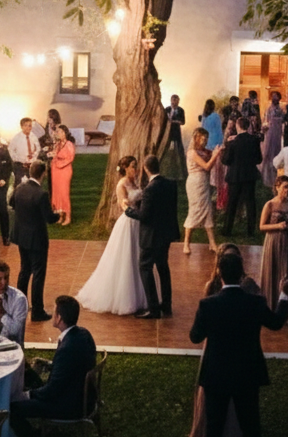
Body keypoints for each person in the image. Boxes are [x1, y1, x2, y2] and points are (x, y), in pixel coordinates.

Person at [189, 253, 288, 437]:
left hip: (217, 375)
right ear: (242, 273)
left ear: (220, 273)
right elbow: (276, 322)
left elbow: (195, 337)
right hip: (247, 374)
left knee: (215, 427)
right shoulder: (255, 303)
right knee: (251, 427)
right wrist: (284, 294)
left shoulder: (208, 305)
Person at [9, 295, 96, 437]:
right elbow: (70, 368)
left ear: (59, 318)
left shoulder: (67, 349)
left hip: (69, 405)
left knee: (12, 408)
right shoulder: (83, 334)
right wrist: (48, 365)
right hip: (81, 394)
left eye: (55, 312)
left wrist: (27, 395)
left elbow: (52, 391)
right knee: (29, 374)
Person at [77, 156, 147, 315]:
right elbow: (123, 203)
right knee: (126, 257)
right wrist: (128, 206)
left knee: (138, 256)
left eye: (136, 166)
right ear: (125, 168)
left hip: (138, 223)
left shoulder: (135, 182)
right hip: (129, 223)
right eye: (133, 166)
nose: (135, 169)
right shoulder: (122, 184)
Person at [126, 155, 179, 319]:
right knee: (163, 267)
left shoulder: (150, 189)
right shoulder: (171, 184)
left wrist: (129, 211)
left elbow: (144, 215)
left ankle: (153, 308)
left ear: (145, 168)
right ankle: (167, 304)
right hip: (166, 234)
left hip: (151, 236)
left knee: (145, 267)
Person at [12, 160, 59, 322]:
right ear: (43, 174)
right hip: (37, 239)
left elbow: (12, 202)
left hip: (22, 236)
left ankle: (20, 304)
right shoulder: (41, 194)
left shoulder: (20, 188)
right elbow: (49, 218)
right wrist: (59, 214)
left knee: (24, 270)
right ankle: (37, 311)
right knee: (38, 273)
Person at [259, 175, 288, 327]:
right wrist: (278, 226)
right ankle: (270, 308)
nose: (287, 190)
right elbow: (262, 226)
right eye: (285, 187)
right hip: (273, 241)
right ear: (277, 187)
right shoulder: (270, 205)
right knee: (273, 271)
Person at [221, 116, 263, 236]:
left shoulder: (233, 143)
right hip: (249, 175)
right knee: (250, 203)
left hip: (235, 176)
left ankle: (227, 229)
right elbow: (259, 159)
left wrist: (226, 148)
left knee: (232, 203)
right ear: (248, 126)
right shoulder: (254, 140)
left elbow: (226, 160)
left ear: (237, 126)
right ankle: (251, 230)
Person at [182, 127, 222, 254]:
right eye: (203, 139)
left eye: (207, 139)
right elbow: (207, 166)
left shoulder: (204, 152)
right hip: (195, 183)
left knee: (208, 211)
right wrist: (215, 155)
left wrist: (217, 151)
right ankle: (186, 243)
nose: (205, 141)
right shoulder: (192, 152)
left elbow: (212, 156)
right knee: (194, 211)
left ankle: (212, 243)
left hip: (204, 183)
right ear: (197, 139)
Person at [50, 124, 75, 225]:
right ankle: (59, 214)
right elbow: (55, 154)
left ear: (65, 133)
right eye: (57, 132)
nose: (58, 134)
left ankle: (67, 215)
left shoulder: (69, 144)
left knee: (64, 192)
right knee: (57, 192)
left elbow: (70, 158)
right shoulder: (58, 144)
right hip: (56, 170)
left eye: (60, 132)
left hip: (64, 170)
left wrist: (59, 162)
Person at [260, 91, 285, 186]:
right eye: (273, 96)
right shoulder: (269, 109)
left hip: (277, 133)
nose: (275, 98)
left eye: (276, 96)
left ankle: (274, 175)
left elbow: (282, 119)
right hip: (270, 133)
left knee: (275, 152)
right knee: (267, 152)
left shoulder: (280, 109)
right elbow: (265, 120)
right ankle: (265, 175)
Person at [9, 116, 42, 186]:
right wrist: (19, 159)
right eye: (26, 125)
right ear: (21, 126)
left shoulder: (33, 136)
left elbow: (38, 148)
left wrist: (34, 157)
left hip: (31, 166)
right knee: (19, 186)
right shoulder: (17, 137)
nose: (28, 128)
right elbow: (11, 150)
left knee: (32, 185)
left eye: (30, 126)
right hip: (20, 166)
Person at [163, 94, 187, 180]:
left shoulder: (181, 110)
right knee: (167, 149)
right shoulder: (167, 109)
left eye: (176, 101)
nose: (174, 102)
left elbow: (183, 122)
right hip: (167, 133)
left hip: (176, 133)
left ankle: (181, 171)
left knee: (179, 150)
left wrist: (174, 121)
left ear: (178, 101)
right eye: (173, 100)